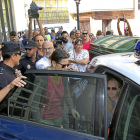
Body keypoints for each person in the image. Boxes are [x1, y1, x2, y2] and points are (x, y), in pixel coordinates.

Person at [35, 49, 80, 127]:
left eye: (67, 65)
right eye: (63, 65)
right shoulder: (42, 77)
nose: (66, 68)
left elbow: (66, 93)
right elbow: (35, 102)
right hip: (44, 119)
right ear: (53, 63)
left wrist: (72, 108)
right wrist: (37, 122)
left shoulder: (63, 76)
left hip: (59, 116)